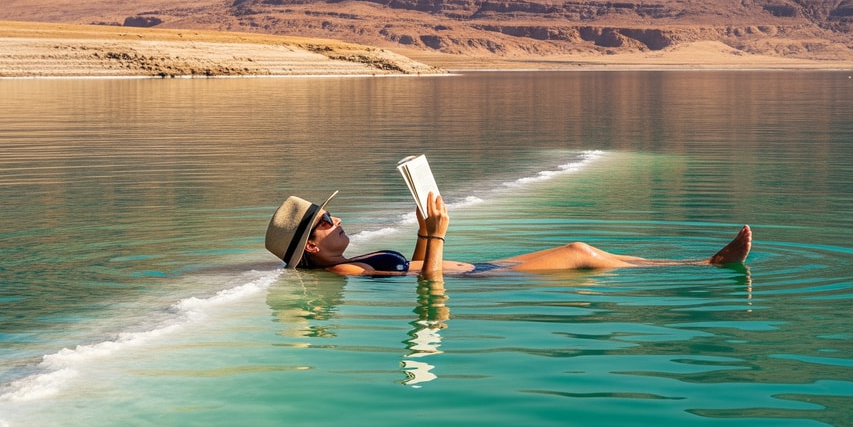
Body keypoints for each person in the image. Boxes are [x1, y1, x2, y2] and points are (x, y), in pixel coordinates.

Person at [264, 190, 752, 277]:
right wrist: (438, 237)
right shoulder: (346, 271)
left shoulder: (357, 260)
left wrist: (423, 232)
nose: (339, 220)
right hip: (478, 279)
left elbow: (409, 270)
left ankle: (697, 264)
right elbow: (427, 287)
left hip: (480, 268)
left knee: (584, 251)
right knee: (580, 252)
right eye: (328, 221)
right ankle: (702, 266)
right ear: (310, 243)